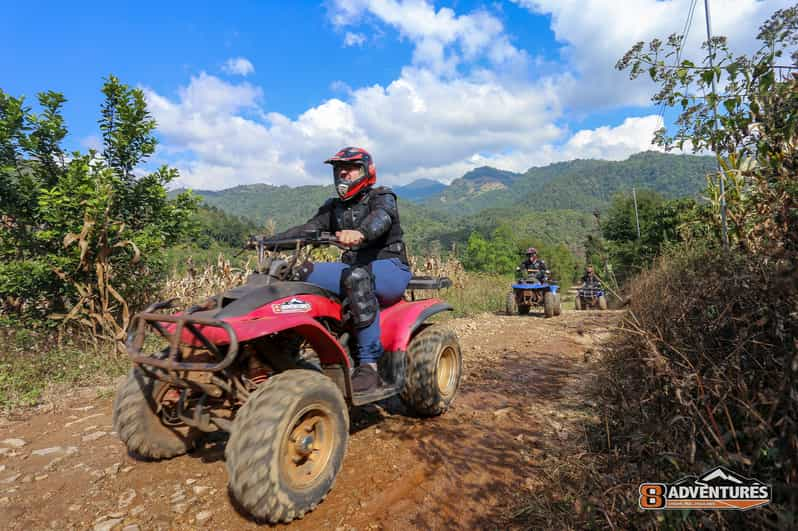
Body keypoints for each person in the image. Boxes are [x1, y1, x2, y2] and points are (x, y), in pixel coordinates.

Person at [269, 147, 411, 393]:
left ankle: (369, 366)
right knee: (296, 273)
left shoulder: (382, 196)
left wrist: (361, 233)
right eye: (339, 169)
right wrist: (269, 241)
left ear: (367, 171)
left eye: (351, 168)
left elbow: (382, 218)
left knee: (357, 278)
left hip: (389, 267)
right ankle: (285, 349)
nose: (344, 173)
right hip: (351, 267)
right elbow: (308, 229)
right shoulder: (333, 207)